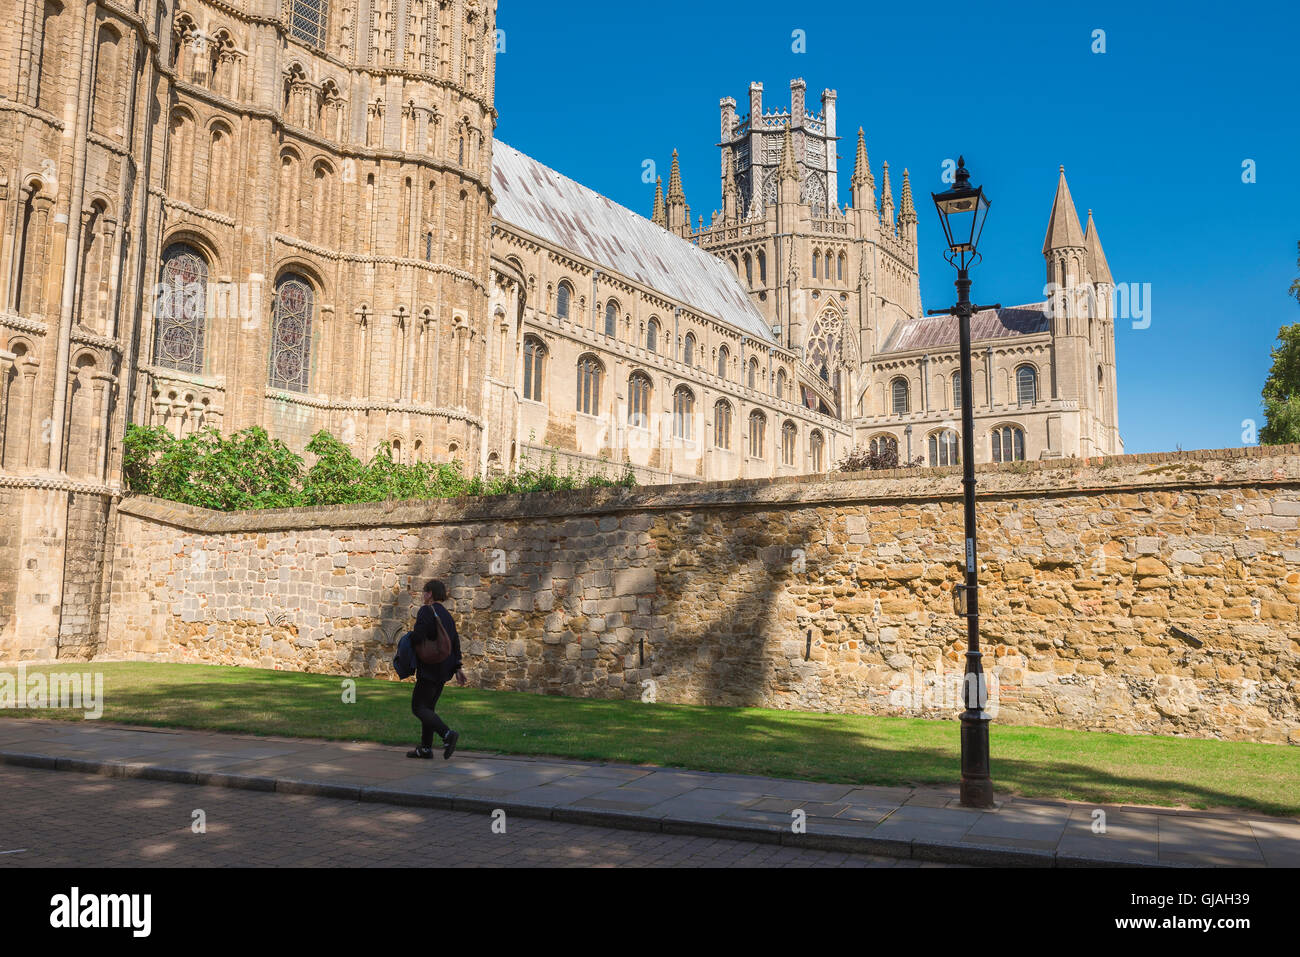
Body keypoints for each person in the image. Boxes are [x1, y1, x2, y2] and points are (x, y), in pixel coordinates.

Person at [406, 579, 466, 760]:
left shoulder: (427, 611)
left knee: (418, 707)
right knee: (428, 709)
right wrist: (457, 667)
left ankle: (447, 734)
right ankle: (425, 749)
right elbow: (455, 642)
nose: (423, 595)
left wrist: (408, 637)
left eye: (424, 592)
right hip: (444, 669)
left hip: (430, 667)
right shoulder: (447, 616)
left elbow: (418, 637)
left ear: (430, 593)